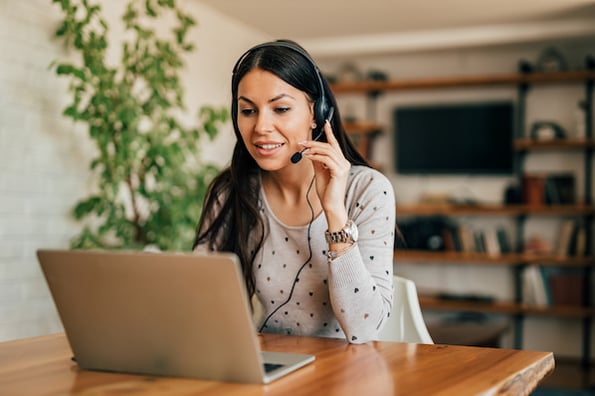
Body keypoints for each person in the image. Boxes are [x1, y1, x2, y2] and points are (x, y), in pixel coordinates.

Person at [193, 39, 395, 344]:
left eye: (281, 108)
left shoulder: (367, 190)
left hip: (352, 372)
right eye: (248, 110)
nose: (261, 126)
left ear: (316, 112)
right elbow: (199, 302)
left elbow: (363, 330)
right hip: (271, 367)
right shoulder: (233, 191)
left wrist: (335, 214)